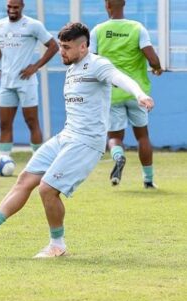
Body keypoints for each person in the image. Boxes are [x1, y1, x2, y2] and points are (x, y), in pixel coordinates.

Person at [0, 22, 154, 258]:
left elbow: (120, 78)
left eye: (66, 47)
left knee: (47, 189)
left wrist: (140, 94)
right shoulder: (72, 68)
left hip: (86, 142)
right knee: (25, 179)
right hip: (66, 136)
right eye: (60, 46)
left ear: (83, 47)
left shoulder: (98, 64)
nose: (61, 52)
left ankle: (57, 245)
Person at [90, 0, 163, 188]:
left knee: (114, 136)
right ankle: (148, 180)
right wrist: (156, 67)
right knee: (142, 136)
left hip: (112, 93)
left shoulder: (98, 30)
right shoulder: (137, 28)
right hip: (137, 94)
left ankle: (119, 157)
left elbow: (90, 61)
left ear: (107, 6)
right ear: (124, 4)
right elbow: (152, 58)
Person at [0, 0, 58, 157]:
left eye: (15, 7)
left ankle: (39, 161)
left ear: (22, 7)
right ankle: (3, 160)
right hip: (6, 83)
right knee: (4, 124)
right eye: (9, 7)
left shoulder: (33, 25)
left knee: (31, 122)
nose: (12, 10)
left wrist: (36, 66)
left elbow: (54, 46)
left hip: (26, 83)